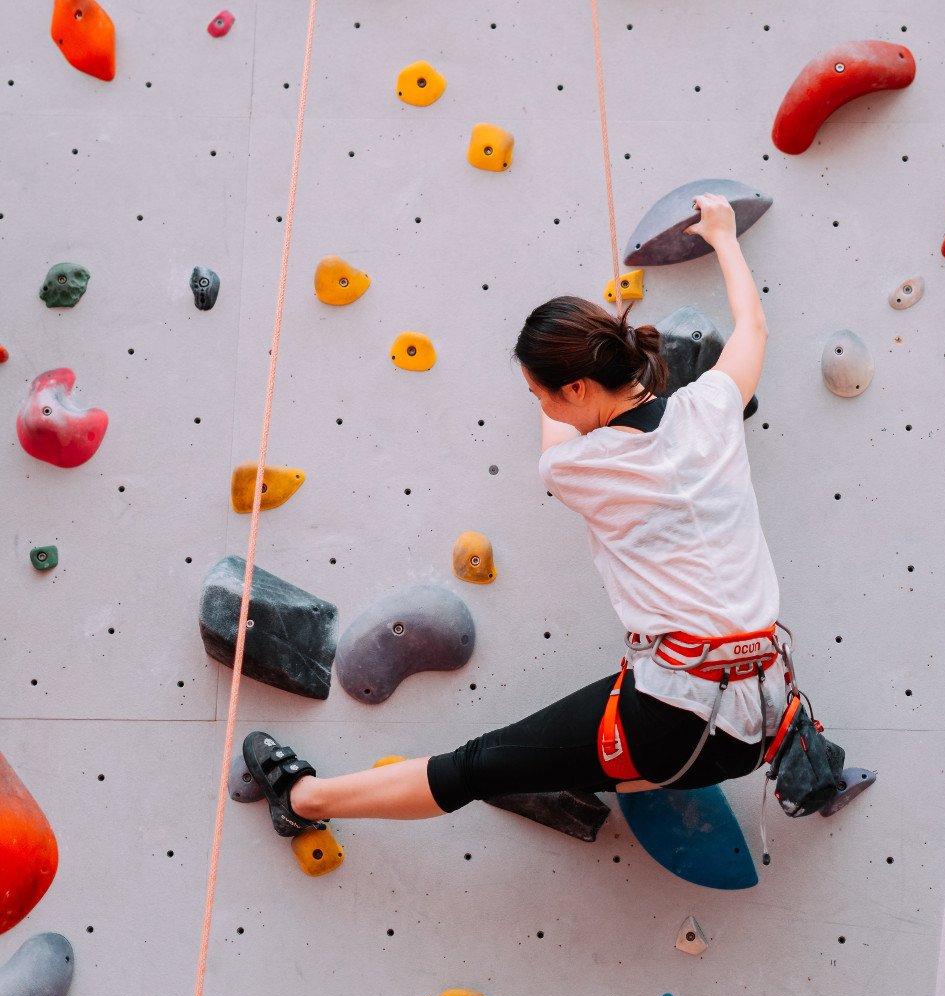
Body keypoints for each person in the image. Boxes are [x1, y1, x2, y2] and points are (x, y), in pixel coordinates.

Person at [242, 193, 790, 835]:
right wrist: (724, 235)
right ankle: (579, 779)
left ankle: (302, 802)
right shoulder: (714, 409)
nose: (542, 406)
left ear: (578, 388)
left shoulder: (578, 468)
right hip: (764, 708)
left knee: (474, 766)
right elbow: (753, 329)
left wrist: (566, 364)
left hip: (677, 725)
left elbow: (561, 433)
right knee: (575, 748)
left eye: (540, 393)